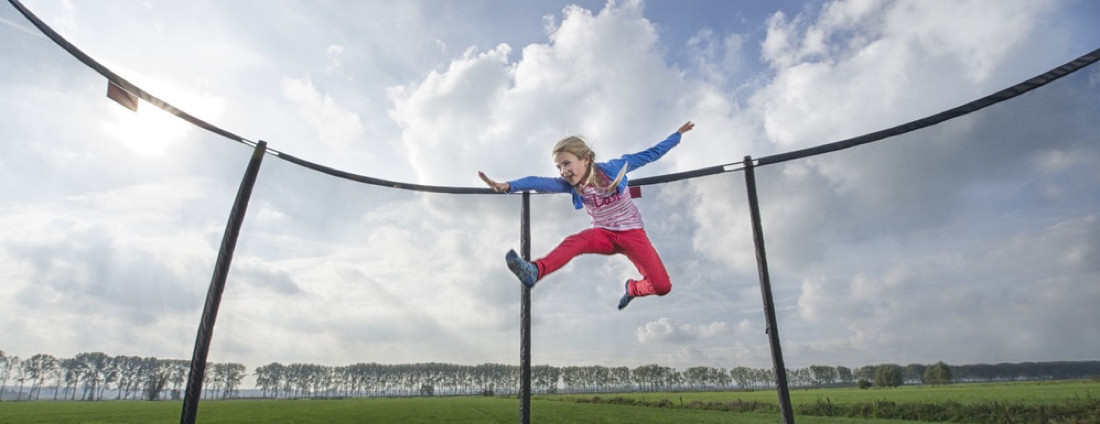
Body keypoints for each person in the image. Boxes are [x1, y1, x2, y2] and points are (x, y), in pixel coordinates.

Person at [478, 121, 694, 310]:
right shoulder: (570, 185)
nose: (563, 172)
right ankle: (534, 271)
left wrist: (676, 136)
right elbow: (538, 181)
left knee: (662, 287)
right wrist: (507, 186)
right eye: (559, 166)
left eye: (566, 164)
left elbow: (650, 154)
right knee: (576, 241)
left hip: (632, 234)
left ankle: (632, 288)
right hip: (603, 235)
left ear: (586, 159)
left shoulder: (613, 169)